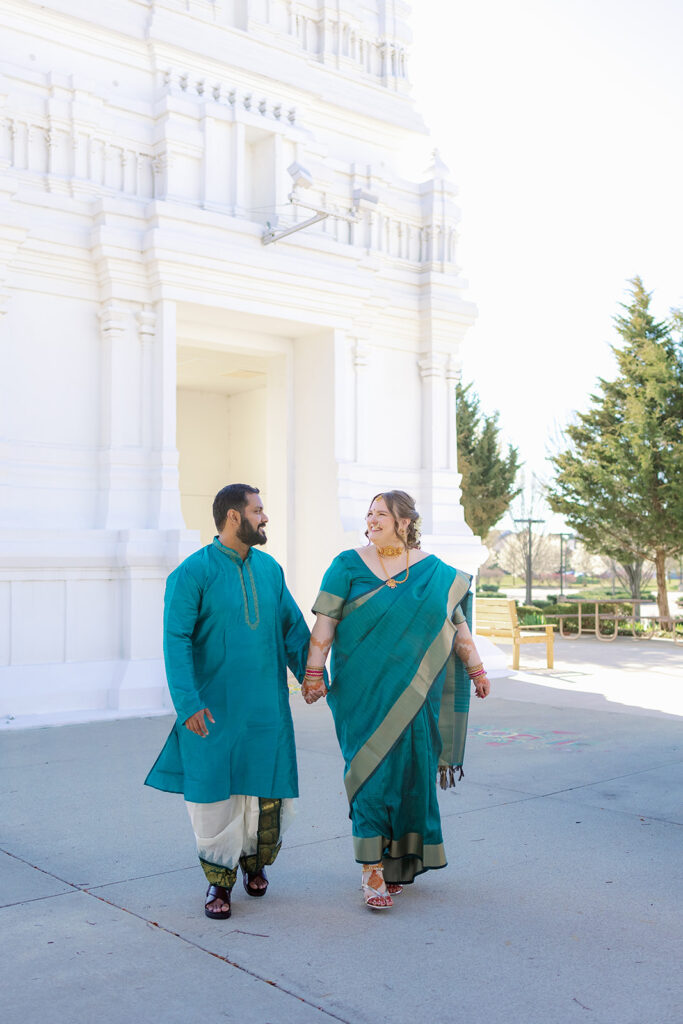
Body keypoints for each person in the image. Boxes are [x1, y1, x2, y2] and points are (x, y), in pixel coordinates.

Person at [301, 490, 490, 910]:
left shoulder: (433, 572)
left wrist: (476, 669)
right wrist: (314, 672)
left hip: (416, 695)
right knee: (370, 774)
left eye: (381, 514)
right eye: (369, 513)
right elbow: (325, 623)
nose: (371, 520)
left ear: (404, 522)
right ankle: (370, 870)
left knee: (409, 776)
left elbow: (456, 625)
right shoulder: (346, 565)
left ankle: (393, 861)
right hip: (361, 694)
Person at [145, 484, 312, 920]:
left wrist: (312, 674)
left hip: (266, 709)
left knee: (265, 792)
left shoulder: (270, 570)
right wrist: (188, 704)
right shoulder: (192, 573)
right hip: (211, 711)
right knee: (214, 799)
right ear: (234, 517)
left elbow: (293, 628)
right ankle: (218, 884)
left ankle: (254, 865)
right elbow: (175, 640)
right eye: (258, 510)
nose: (265, 517)